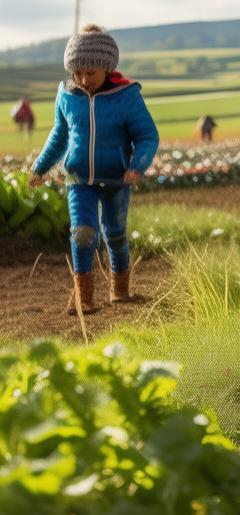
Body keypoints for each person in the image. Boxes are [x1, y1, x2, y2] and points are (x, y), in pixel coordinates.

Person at [29, 25, 158, 314]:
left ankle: (120, 289)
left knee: (114, 233)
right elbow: (59, 136)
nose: (84, 79)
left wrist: (136, 167)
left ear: (107, 67)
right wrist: (40, 167)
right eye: (78, 73)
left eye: (91, 72)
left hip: (117, 179)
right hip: (78, 179)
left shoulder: (127, 96)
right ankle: (84, 298)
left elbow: (147, 135)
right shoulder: (66, 95)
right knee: (83, 233)